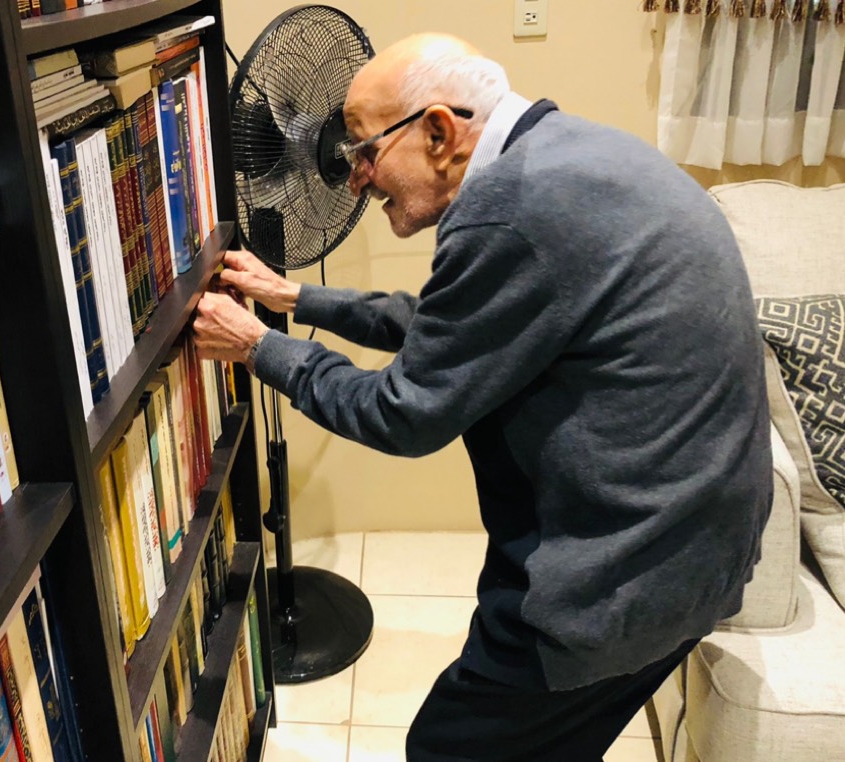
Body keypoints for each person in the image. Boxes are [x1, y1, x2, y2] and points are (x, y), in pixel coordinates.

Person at [193, 33, 772, 762]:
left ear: (438, 132)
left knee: (447, 747)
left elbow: (402, 413)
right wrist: (298, 298)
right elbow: (463, 323)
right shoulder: (568, 154)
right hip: (695, 556)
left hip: (616, 581)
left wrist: (258, 347)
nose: (355, 182)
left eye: (363, 152)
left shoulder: (511, 208)